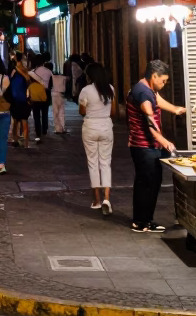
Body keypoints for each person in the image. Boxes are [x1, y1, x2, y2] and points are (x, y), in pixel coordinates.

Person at [127, 59, 186, 233]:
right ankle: (140, 222)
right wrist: (165, 142)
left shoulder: (145, 88)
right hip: (144, 146)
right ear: (154, 76)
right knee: (147, 183)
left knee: (152, 181)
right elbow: (149, 123)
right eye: (163, 80)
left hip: (146, 146)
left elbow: (158, 100)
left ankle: (145, 219)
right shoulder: (144, 94)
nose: (165, 83)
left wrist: (176, 109)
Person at [79, 61, 116, 214]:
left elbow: (82, 111)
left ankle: (96, 200)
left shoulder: (86, 90)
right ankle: (107, 198)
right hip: (106, 126)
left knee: (93, 163)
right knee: (105, 163)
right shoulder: (110, 89)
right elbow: (113, 112)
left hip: (90, 127)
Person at [9, 51, 33, 149]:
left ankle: (16, 139)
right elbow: (28, 81)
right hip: (23, 98)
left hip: (15, 99)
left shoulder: (14, 70)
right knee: (24, 121)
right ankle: (26, 143)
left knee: (15, 121)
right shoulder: (25, 70)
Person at [29, 59, 52, 143]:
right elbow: (51, 85)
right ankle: (44, 129)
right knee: (45, 113)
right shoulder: (49, 71)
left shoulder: (33, 72)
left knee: (36, 115)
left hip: (35, 92)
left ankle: (38, 131)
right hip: (45, 93)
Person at [50, 62, 68, 134]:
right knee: (61, 112)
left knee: (55, 112)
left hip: (54, 94)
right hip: (61, 94)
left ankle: (57, 129)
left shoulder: (52, 77)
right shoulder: (63, 77)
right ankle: (62, 128)